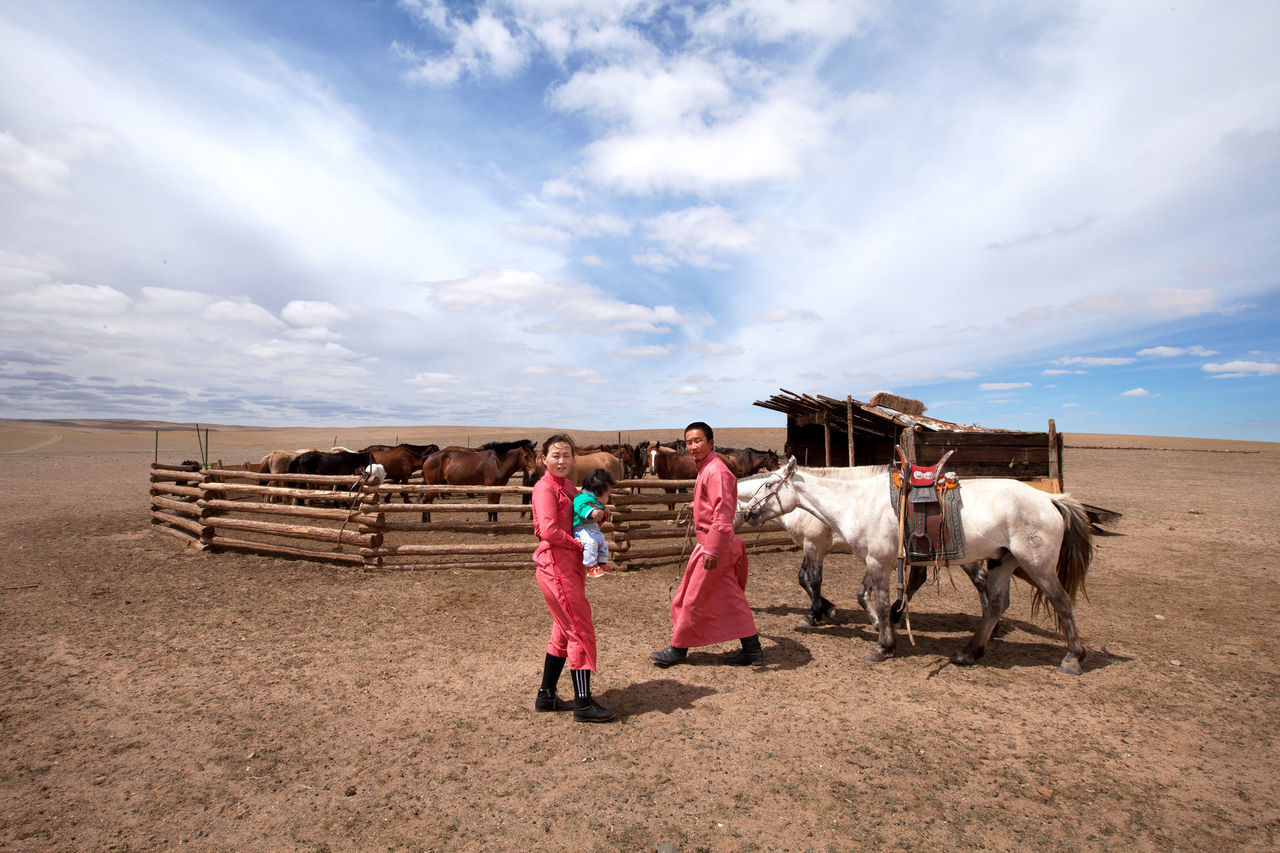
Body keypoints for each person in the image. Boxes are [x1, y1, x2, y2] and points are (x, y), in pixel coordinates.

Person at [651, 422, 764, 668]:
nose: (693, 446)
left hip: (716, 547)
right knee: (731, 598)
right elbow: (714, 505)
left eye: (698, 441)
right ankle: (752, 650)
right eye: (689, 442)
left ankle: (678, 649)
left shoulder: (716, 472)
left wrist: (711, 549)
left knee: (690, 599)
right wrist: (698, 506)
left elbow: (723, 514)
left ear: (711, 443)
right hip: (718, 544)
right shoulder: (707, 469)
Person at [530, 434, 616, 723]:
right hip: (557, 566)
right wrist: (581, 545)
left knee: (563, 630)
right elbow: (548, 531)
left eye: (567, 455)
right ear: (544, 459)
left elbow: (583, 513)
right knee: (579, 628)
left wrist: (599, 517)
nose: (562, 460)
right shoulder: (544, 489)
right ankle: (583, 702)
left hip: (570, 567)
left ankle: (546, 695)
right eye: (556, 455)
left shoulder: (568, 486)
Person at [573, 468, 615, 578]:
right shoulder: (582, 498)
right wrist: (591, 512)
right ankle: (590, 566)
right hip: (581, 530)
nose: (608, 498)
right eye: (607, 495)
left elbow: (600, 509)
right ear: (597, 493)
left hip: (594, 529)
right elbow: (579, 507)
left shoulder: (597, 501)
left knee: (603, 543)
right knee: (590, 543)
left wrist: (605, 510)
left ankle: (602, 563)